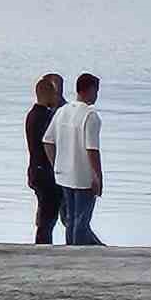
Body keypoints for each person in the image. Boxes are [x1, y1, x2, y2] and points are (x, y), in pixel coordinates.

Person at [42, 73, 104, 246]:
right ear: (90, 90)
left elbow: (48, 141)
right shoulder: (90, 115)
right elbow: (92, 149)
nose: (96, 95)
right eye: (96, 91)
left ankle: (70, 250)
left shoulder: (63, 111)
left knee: (70, 219)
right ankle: (79, 253)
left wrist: (56, 164)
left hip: (64, 174)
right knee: (81, 221)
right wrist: (97, 176)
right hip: (83, 177)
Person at [25, 74, 66, 244]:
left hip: (36, 170)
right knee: (48, 217)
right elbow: (51, 142)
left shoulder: (33, 115)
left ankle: (42, 243)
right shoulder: (44, 117)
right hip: (45, 173)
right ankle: (43, 246)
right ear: (49, 94)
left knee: (46, 213)